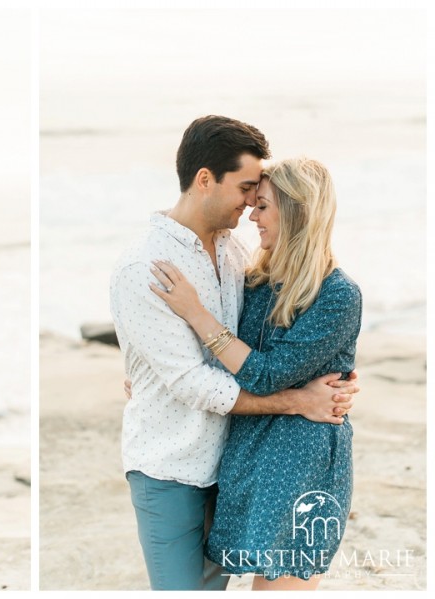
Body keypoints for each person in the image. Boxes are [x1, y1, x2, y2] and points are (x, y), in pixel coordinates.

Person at [109, 116, 357, 591]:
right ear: (205, 179)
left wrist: (335, 375)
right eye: (246, 188)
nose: (250, 204)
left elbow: (266, 350)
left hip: (234, 462)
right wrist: (298, 401)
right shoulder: (146, 265)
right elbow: (188, 380)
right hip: (173, 465)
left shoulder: (235, 254)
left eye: (259, 198)